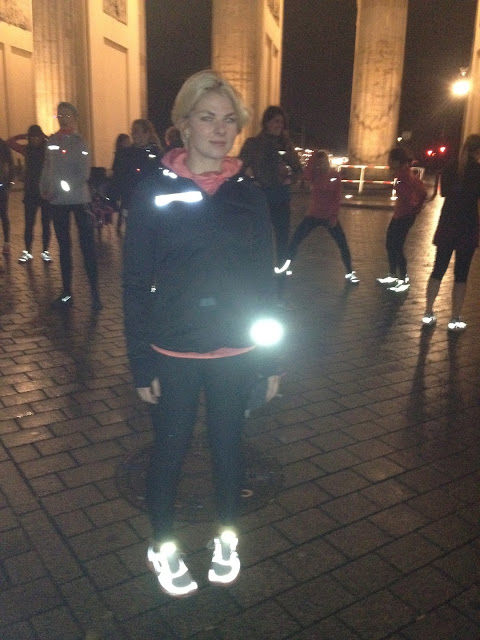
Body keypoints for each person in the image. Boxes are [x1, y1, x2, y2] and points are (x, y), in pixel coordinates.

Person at [123, 70, 281, 598]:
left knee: (228, 447)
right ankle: (162, 543)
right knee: (169, 449)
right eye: (207, 118)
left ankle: (227, 536)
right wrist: (141, 362)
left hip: (237, 349)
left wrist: (271, 360)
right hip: (174, 349)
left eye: (229, 119)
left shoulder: (249, 195)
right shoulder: (154, 191)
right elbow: (133, 282)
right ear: (184, 124)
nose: (219, 129)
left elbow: (265, 283)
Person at [39, 101, 101, 310]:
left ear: (75, 118)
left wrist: (61, 189)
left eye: (67, 115)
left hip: (78, 200)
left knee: (87, 246)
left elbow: (83, 173)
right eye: (60, 115)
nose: (63, 119)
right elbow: (48, 167)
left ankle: (95, 293)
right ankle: (66, 291)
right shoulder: (52, 141)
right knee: (64, 247)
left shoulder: (80, 142)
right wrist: (43, 187)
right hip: (58, 202)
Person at [422, 134, 480, 331]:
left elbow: (444, 192)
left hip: (448, 223)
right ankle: (455, 317)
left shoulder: (450, 167)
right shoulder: (478, 170)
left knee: (438, 269)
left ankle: (428, 311)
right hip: (468, 226)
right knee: (461, 274)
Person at [240, 106, 302, 277]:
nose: (279, 125)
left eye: (282, 122)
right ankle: (259, 270)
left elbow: (298, 169)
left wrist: (291, 179)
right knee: (260, 236)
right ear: (266, 122)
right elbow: (239, 167)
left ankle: (281, 270)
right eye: (276, 121)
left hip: (281, 197)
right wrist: (250, 179)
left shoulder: (286, 146)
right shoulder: (253, 144)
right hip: (260, 197)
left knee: (282, 236)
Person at [288, 150, 359, 283]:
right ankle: (286, 265)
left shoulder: (334, 175)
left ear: (327, 162)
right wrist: (312, 160)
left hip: (328, 216)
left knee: (342, 244)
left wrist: (333, 215)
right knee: (296, 239)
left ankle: (349, 272)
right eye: (318, 162)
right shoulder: (314, 175)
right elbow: (305, 176)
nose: (321, 165)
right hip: (313, 214)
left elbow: (337, 197)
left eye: (323, 162)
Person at [376, 147, 427, 292]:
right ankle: (393, 275)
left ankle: (403, 279)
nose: (389, 163)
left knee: (396, 246)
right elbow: (421, 193)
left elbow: (415, 194)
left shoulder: (404, 176)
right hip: (401, 214)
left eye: (391, 160)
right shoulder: (404, 174)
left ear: (397, 161)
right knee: (391, 244)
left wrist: (414, 206)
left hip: (404, 216)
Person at [7, 125, 52, 263]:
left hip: (44, 191)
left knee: (45, 224)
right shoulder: (27, 150)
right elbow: (10, 142)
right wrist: (24, 136)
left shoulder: (47, 150)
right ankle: (28, 251)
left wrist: (45, 137)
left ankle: (45, 251)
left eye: (37, 137)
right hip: (31, 191)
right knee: (29, 224)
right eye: (32, 137)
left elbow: (11, 142)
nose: (35, 140)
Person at [110, 119, 162, 230]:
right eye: (132, 131)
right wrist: (114, 197)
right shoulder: (126, 154)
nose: (133, 134)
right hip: (131, 202)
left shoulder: (157, 154)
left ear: (146, 133)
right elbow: (118, 177)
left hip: (151, 204)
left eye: (136, 131)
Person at [0, 137, 14, 256]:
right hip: (3, 184)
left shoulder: (3, 145)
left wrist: (9, 183)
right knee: (4, 214)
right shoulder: (3, 145)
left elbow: (10, 164)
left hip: (1, 185)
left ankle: (7, 242)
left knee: (3, 214)